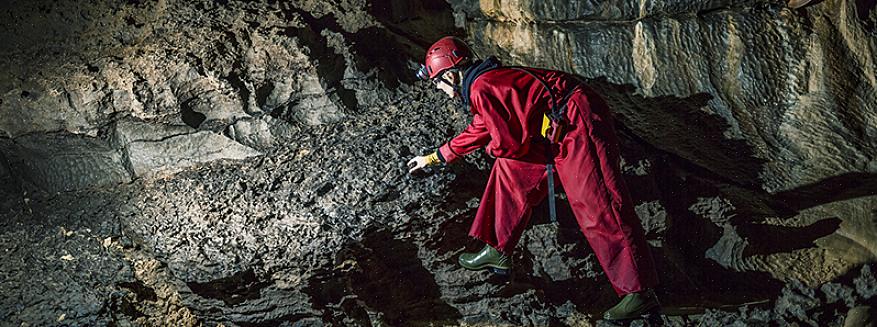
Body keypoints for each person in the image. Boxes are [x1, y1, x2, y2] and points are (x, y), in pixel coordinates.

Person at [406, 36, 661, 321]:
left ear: (451, 74)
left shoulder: (482, 87)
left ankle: (638, 293)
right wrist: (435, 157)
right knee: (510, 170)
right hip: (555, 128)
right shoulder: (483, 84)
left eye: (437, 81)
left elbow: (508, 144)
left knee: (597, 203)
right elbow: (481, 127)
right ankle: (498, 250)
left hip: (578, 122)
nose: (439, 89)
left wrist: (492, 148)